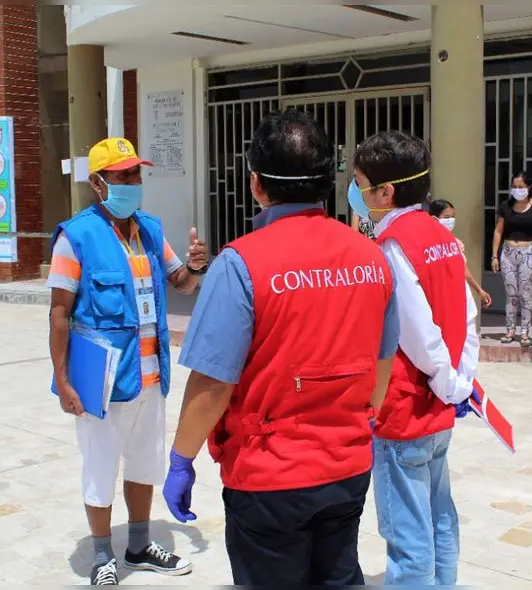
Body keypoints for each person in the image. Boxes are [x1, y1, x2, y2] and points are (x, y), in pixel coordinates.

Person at [160, 109, 399, 585]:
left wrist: (181, 460)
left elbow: (212, 383)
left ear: (256, 184)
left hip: (270, 476)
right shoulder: (371, 257)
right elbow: (383, 363)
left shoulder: (241, 263)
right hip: (347, 469)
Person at [47, 137, 209, 585]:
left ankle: (138, 546)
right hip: (102, 380)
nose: (133, 183)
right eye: (122, 177)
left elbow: (180, 282)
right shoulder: (75, 236)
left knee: (144, 464)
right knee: (100, 468)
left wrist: (196, 266)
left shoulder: (151, 229)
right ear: (99, 184)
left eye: (136, 174)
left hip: (151, 376)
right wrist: (63, 381)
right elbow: (60, 313)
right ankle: (103, 556)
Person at [350, 131, 480, 585]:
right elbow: (466, 311)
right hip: (441, 406)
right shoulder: (439, 234)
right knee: (440, 514)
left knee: (408, 531)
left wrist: (445, 379)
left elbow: (415, 330)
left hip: (406, 407)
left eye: (361, 184)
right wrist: (461, 380)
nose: (357, 194)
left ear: (385, 192)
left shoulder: (392, 245)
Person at [490, 172, 532, 347]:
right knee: (511, 293)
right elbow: (498, 231)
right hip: (508, 252)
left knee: (525, 293)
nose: (517, 190)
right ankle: (510, 330)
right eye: (514, 187)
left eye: (521, 187)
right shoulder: (505, 206)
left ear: (529, 187)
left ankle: (524, 331)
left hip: (529, 252)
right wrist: (494, 255)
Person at [428, 199, 492, 308]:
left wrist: (479, 290)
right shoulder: (428, 245)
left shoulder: (455, 243)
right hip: (441, 298)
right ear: (434, 218)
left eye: (453, 216)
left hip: (461, 294)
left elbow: (463, 269)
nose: (451, 220)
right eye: (447, 217)